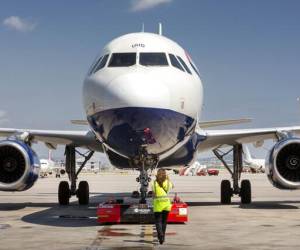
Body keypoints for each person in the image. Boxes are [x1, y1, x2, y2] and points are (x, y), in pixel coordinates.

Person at [152, 169, 174, 244]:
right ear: (165, 174)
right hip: (166, 204)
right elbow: (172, 186)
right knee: (164, 222)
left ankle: (160, 235)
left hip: (158, 204)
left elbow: (153, 194)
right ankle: (162, 238)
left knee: (158, 221)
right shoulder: (168, 182)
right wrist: (168, 178)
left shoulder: (154, 183)